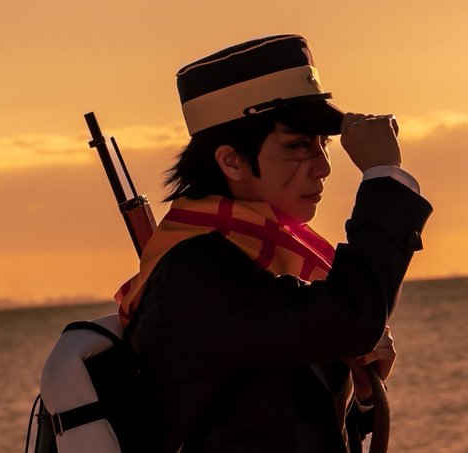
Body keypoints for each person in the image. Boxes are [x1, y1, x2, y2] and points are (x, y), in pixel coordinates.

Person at [116, 34, 432, 452]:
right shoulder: (195, 270)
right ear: (231, 161)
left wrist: (362, 392)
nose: (323, 166)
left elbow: (285, 419)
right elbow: (351, 317)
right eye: (298, 145)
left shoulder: (252, 256)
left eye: (322, 144)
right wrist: (383, 176)